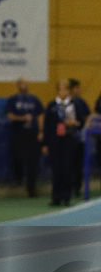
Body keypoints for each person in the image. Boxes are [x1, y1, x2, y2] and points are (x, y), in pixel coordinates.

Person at [4, 78, 43, 197]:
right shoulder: (13, 100)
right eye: (22, 83)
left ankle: (31, 187)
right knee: (18, 158)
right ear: (18, 85)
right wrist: (22, 118)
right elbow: (10, 116)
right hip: (18, 133)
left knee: (33, 161)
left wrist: (41, 131)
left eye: (26, 83)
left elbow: (41, 115)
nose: (24, 85)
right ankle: (18, 180)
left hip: (32, 133)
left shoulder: (34, 100)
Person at [42, 79, 78, 207]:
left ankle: (66, 197)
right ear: (58, 91)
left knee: (67, 169)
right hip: (54, 141)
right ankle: (56, 197)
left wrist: (75, 124)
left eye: (66, 89)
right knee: (56, 169)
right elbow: (46, 125)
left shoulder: (73, 104)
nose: (64, 92)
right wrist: (45, 144)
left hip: (68, 140)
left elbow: (81, 121)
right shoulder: (52, 105)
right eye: (62, 89)